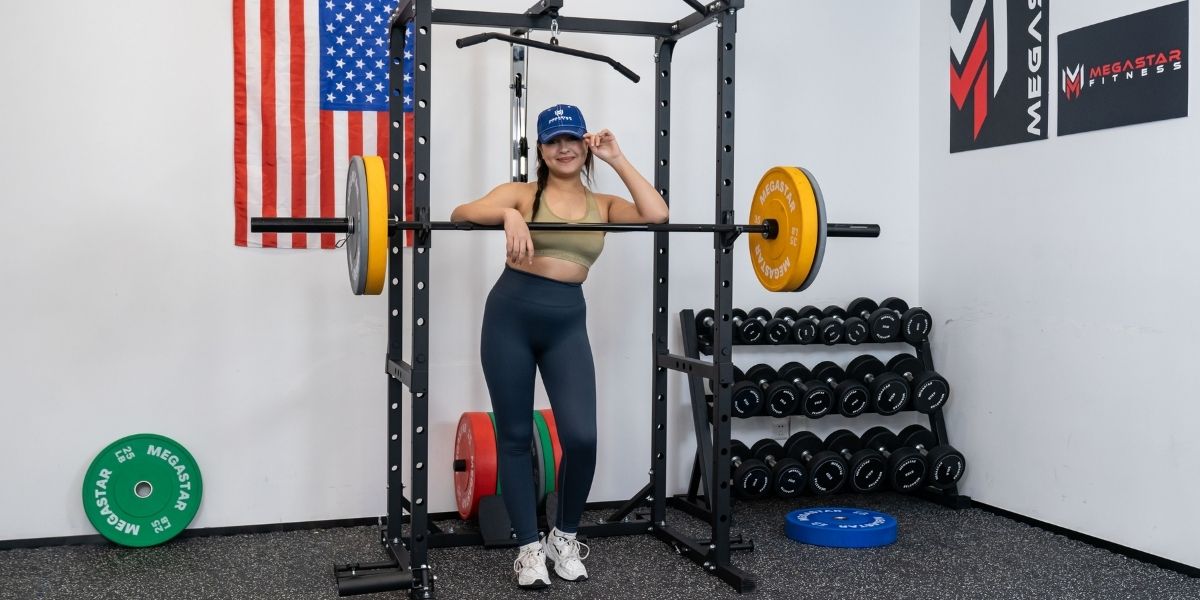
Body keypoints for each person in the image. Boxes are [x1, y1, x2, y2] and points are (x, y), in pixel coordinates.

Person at [450, 104, 668, 589]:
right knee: (512, 434)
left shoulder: (604, 203)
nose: (563, 148)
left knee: (583, 437)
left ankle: (562, 537)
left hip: (567, 322)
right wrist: (507, 214)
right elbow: (460, 213)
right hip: (509, 316)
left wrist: (616, 157)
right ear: (541, 150)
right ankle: (529, 548)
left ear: (585, 144)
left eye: (572, 138)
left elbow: (657, 214)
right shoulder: (524, 195)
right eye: (552, 141)